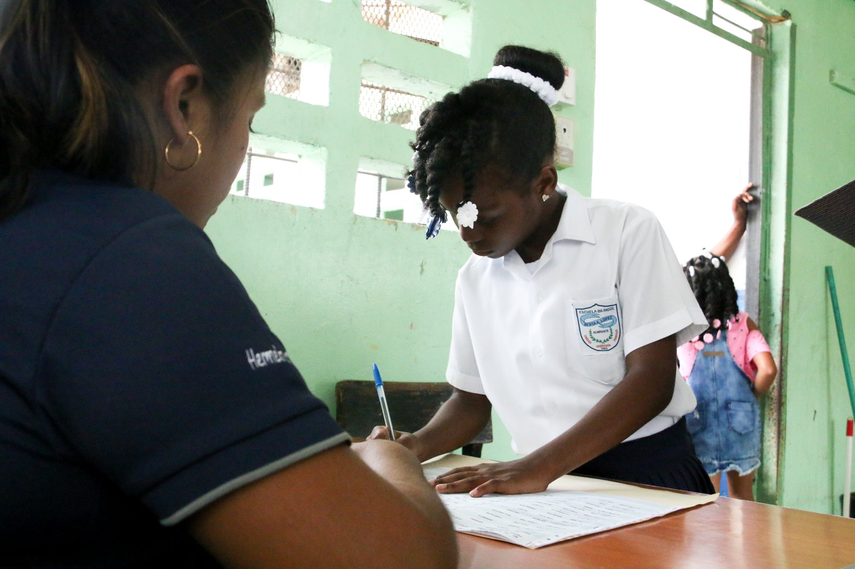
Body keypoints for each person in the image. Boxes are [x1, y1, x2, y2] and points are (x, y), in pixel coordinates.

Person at [0, 2, 457, 567]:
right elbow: (399, 560)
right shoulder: (132, 261)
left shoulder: (29, 223)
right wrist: (394, 464)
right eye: (250, 116)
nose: (243, 143)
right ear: (183, 105)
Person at [370, 45, 714, 496]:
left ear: (544, 183)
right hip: (546, 487)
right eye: (456, 215)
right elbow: (471, 402)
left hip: (644, 477)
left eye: (487, 216)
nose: (468, 233)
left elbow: (651, 382)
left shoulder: (626, 232)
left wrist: (537, 467)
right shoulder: (476, 280)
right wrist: (413, 446)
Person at [678, 252, 777, 501]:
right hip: (740, 421)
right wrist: (751, 395)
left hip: (698, 420)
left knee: (704, 501)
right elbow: (768, 369)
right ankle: (748, 541)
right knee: (743, 501)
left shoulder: (685, 328)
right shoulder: (743, 324)